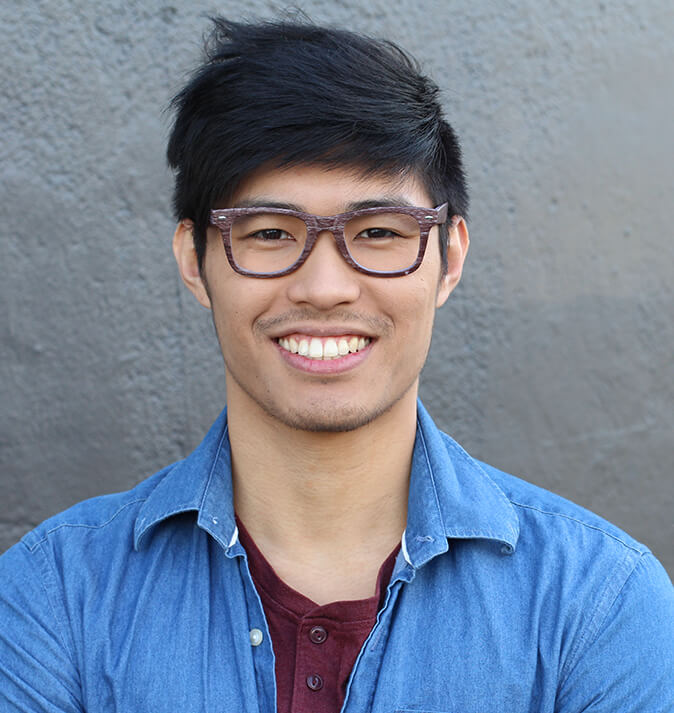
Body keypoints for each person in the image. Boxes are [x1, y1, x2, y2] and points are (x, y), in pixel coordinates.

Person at [1, 16, 672, 713]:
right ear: (192, 262)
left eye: (378, 232)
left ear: (451, 256)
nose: (324, 288)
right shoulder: (56, 596)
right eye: (268, 233)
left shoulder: (597, 603)